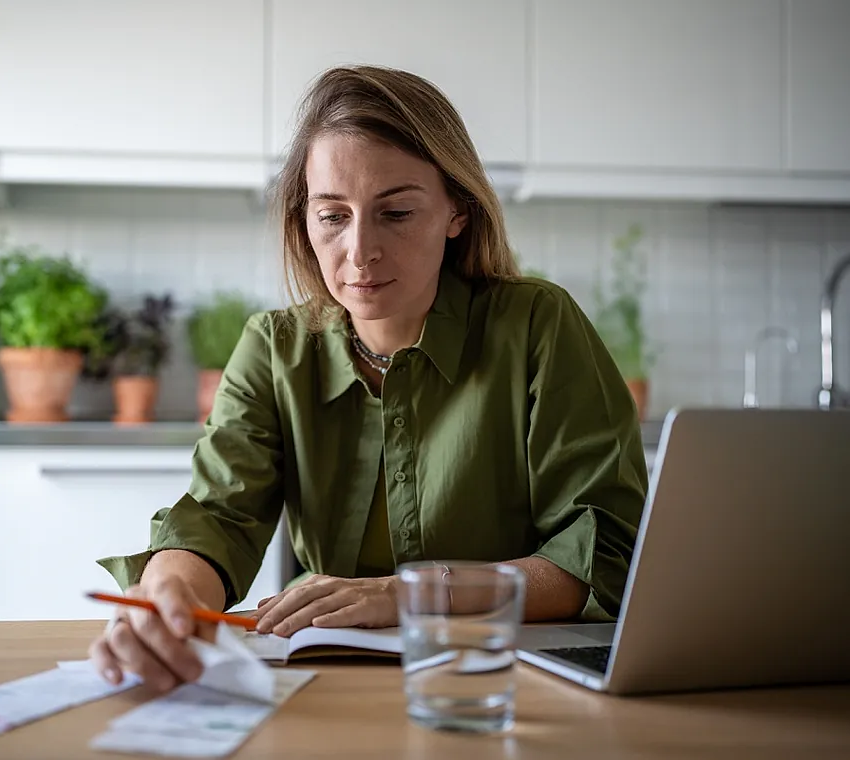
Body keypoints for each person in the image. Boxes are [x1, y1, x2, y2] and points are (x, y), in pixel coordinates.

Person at [90, 65, 648, 692]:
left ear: (456, 211)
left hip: (501, 679)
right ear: (305, 219)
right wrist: (165, 595)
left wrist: (406, 595)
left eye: (397, 212)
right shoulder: (274, 349)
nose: (360, 252)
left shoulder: (537, 325)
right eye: (333, 216)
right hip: (327, 679)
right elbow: (219, 517)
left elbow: (605, 553)